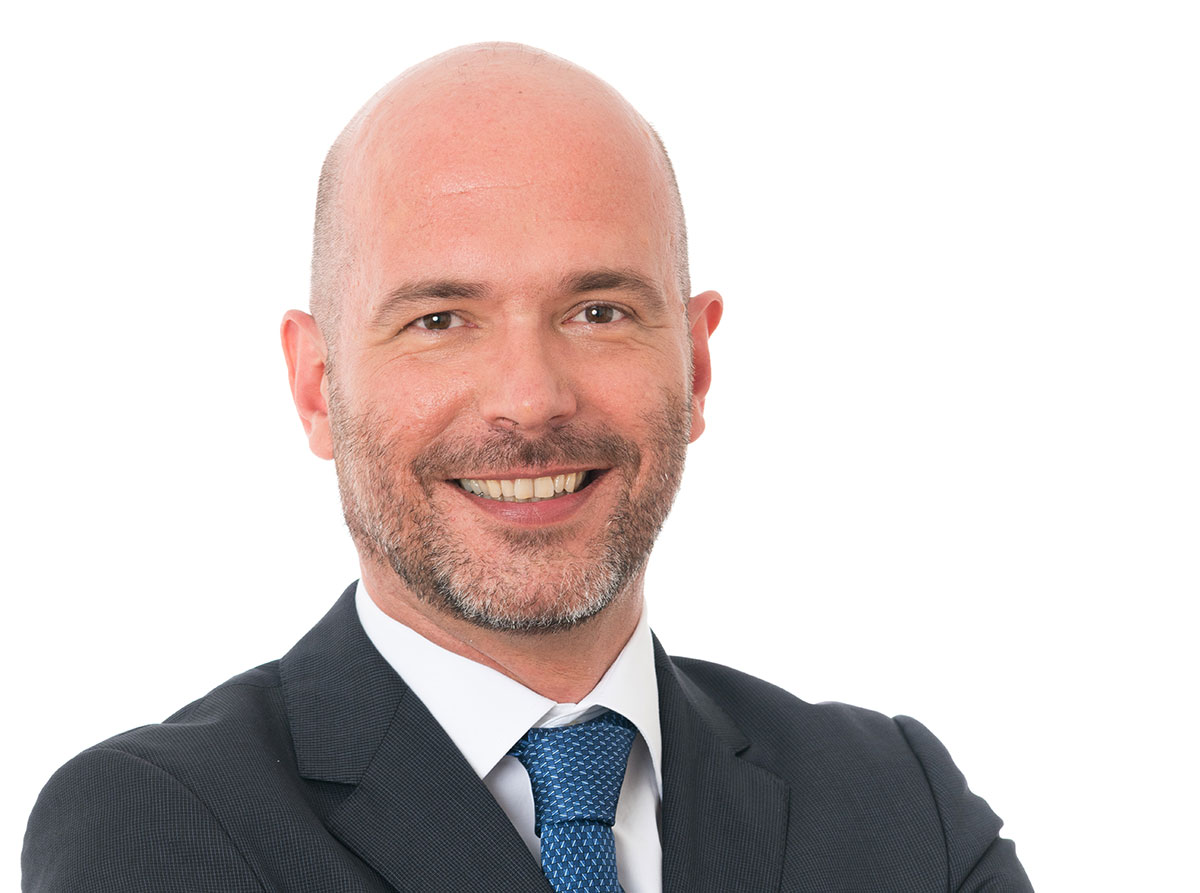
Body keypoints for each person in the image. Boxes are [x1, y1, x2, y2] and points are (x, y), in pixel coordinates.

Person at [23, 42, 1033, 892]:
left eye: (598, 311)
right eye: (440, 319)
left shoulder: (901, 810)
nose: (531, 397)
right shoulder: (156, 826)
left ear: (695, 363)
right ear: (318, 386)